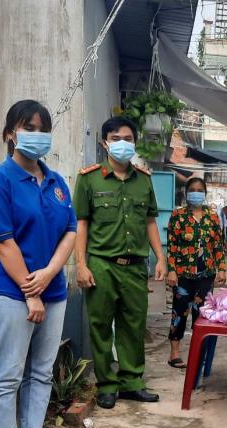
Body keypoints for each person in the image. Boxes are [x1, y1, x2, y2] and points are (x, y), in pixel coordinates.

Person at [0, 100, 77, 428]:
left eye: (41, 128)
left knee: (41, 371)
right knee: (7, 373)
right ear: (9, 134)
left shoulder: (56, 182)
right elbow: (4, 242)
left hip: (53, 290)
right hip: (9, 293)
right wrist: (29, 292)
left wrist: (51, 272)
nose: (35, 134)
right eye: (27, 127)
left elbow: (70, 230)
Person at [73, 116, 167, 410]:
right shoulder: (89, 179)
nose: (122, 144)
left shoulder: (144, 180)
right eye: (116, 139)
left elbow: (151, 220)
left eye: (127, 138)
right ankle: (107, 385)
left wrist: (161, 258)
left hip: (136, 265)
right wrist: (81, 264)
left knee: (133, 325)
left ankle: (132, 382)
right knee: (101, 326)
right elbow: (81, 223)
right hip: (101, 264)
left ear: (135, 142)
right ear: (105, 143)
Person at [166, 178, 227, 368]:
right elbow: (172, 246)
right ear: (186, 193)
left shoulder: (212, 217)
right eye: (192, 189)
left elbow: (218, 244)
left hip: (206, 274)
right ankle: (174, 353)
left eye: (200, 190)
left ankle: (197, 354)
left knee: (201, 315)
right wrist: (171, 271)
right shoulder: (178, 216)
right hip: (183, 275)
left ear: (205, 193)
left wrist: (222, 268)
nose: (196, 193)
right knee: (179, 312)